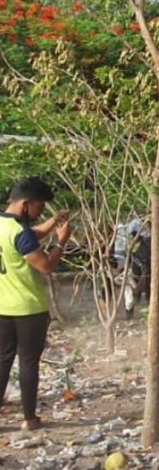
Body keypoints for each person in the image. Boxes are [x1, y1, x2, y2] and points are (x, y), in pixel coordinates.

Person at [0, 178, 71, 431]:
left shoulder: (6, 226)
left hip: (2, 307)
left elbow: (30, 236)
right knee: (28, 362)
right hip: (29, 308)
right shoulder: (20, 233)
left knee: (3, 360)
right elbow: (46, 266)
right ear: (26, 204)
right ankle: (29, 418)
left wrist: (53, 222)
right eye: (40, 207)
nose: (41, 211)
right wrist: (61, 241)